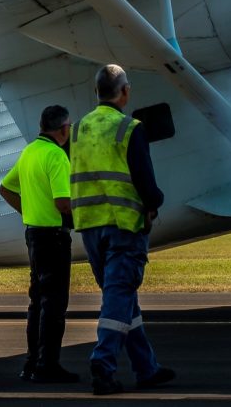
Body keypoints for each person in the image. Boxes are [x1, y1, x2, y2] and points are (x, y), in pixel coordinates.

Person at [70, 64, 173, 395]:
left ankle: (147, 369)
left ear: (96, 92)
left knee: (122, 297)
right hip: (124, 225)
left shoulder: (78, 130)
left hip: (89, 227)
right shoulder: (129, 128)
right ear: (125, 92)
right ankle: (103, 361)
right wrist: (155, 201)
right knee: (118, 297)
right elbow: (145, 180)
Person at [0, 104, 79, 384]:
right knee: (55, 305)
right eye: (69, 126)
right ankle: (48, 365)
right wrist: (81, 213)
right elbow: (62, 202)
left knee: (37, 303)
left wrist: (29, 211)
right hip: (54, 237)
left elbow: (5, 189)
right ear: (63, 129)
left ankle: (32, 362)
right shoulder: (57, 156)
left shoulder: (29, 152)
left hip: (33, 235)